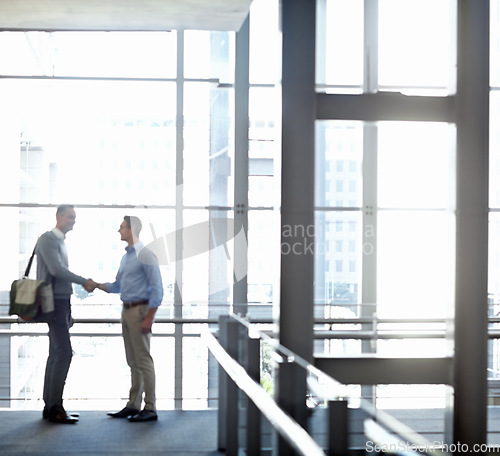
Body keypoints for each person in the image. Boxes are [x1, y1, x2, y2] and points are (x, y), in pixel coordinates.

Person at [97, 215, 163, 422]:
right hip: (126, 311)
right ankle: (133, 405)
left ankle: (150, 407)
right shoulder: (126, 257)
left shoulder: (146, 255)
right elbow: (117, 286)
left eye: (122, 227)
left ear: (132, 229)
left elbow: (158, 290)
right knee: (133, 360)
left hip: (140, 311)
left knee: (143, 360)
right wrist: (96, 285)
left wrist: (149, 318)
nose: (119, 231)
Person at [36, 204, 97, 424]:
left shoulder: (60, 242)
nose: (73, 220)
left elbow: (61, 281)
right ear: (58, 216)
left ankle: (49, 406)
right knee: (64, 354)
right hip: (53, 305)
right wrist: (85, 281)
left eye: (74, 217)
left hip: (61, 304)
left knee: (56, 354)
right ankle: (55, 407)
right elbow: (56, 271)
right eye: (70, 216)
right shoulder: (48, 240)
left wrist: (69, 310)